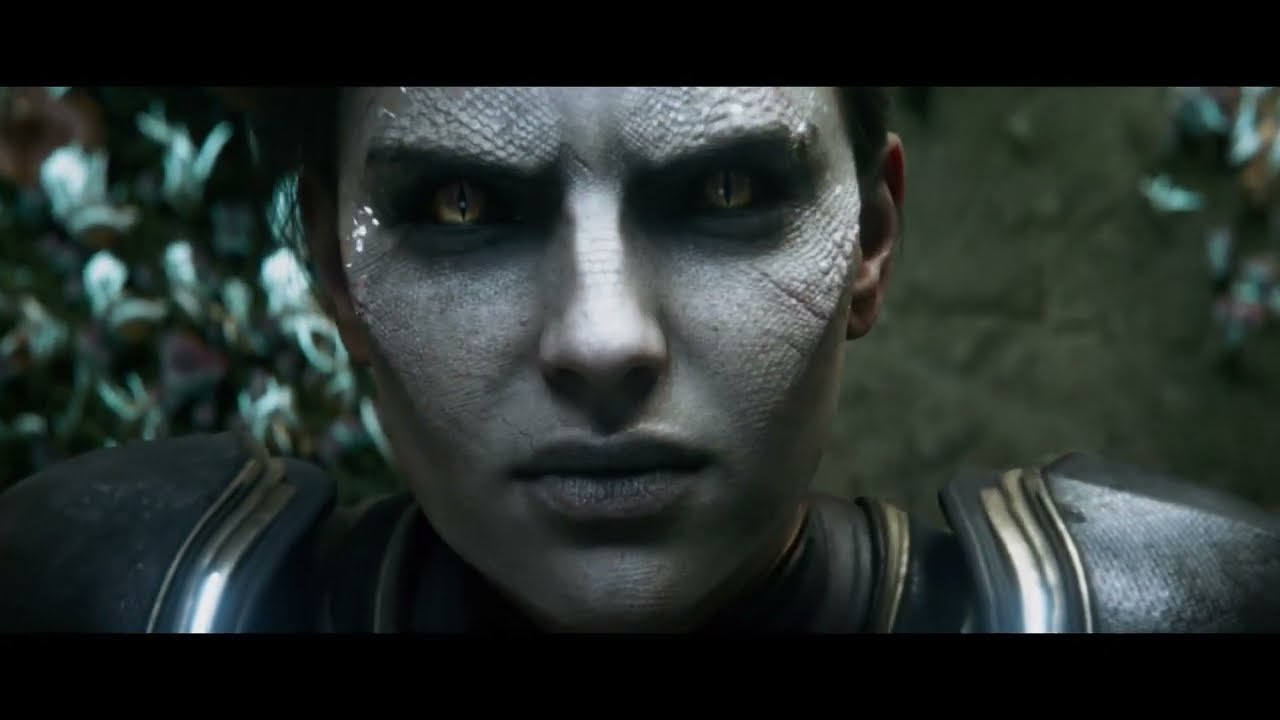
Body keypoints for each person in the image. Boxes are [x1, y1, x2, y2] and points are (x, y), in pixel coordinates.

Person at [2, 87, 1278, 634]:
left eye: (725, 190)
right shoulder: (122, 601)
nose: (602, 338)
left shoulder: (1179, 612)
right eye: (461, 204)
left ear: (870, 238)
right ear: (336, 262)